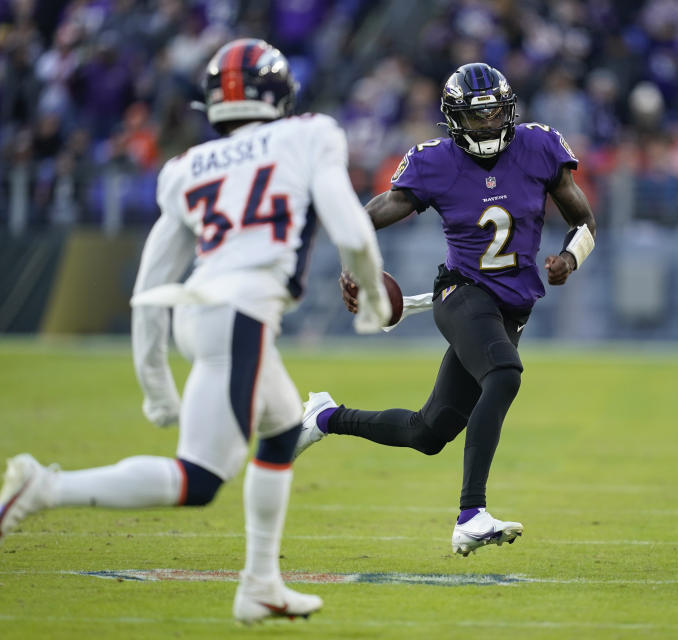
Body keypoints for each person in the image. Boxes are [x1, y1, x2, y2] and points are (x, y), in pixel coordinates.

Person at [0, 38, 392, 623]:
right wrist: (369, 304)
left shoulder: (186, 168)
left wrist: (155, 381)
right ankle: (43, 488)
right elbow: (354, 232)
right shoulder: (310, 133)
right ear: (280, 93)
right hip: (241, 313)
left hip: (205, 310)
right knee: (199, 479)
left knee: (284, 428)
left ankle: (260, 583)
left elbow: (150, 286)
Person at [294, 62, 597, 556]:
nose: (489, 124)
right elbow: (375, 213)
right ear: (455, 119)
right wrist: (354, 263)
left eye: (496, 113)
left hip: (511, 307)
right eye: (477, 117)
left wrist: (568, 257)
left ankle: (325, 417)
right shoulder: (435, 162)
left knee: (428, 431)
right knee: (504, 374)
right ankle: (471, 514)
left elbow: (584, 220)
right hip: (461, 292)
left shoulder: (539, 146)